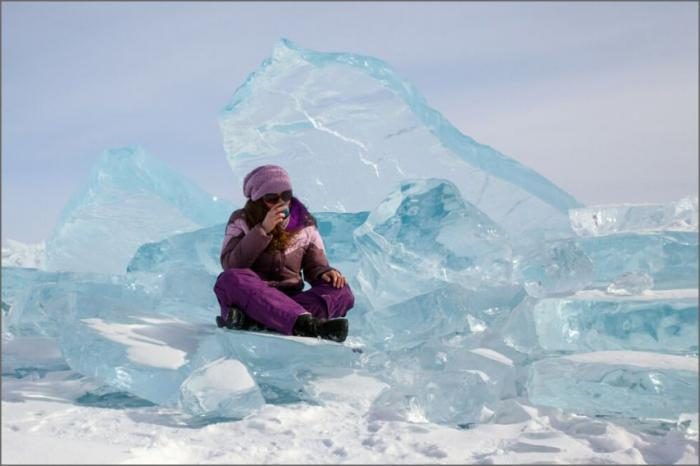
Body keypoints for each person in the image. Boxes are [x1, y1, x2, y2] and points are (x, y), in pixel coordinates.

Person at [213, 164, 355, 342]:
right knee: (230, 279)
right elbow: (230, 264)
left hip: (292, 300)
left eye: (286, 195)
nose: (281, 202)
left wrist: (326, 273)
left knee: (341, 291)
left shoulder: (305, 223)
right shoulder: (241, 220)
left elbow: (316, 267)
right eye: (272, 197)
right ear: (257, 199)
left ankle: (262, 321)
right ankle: (307, 325)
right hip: (252, 297)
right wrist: (263, 230)